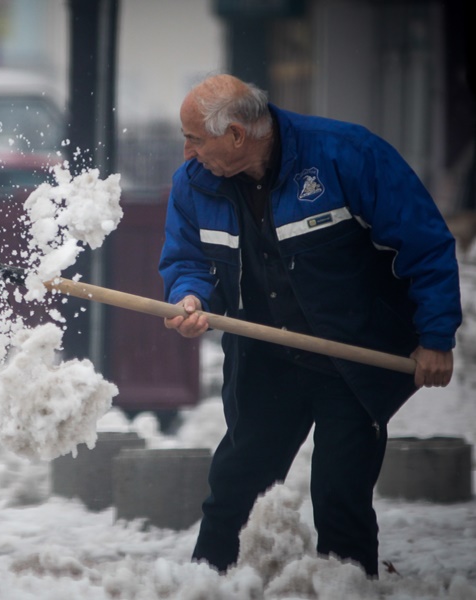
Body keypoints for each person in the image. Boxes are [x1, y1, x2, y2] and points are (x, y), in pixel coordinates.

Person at [159, 74, 461, 577]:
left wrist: (435, 337)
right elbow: (188, 259)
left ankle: (346, 588)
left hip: (352, 358)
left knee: (340, 495)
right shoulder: (194, 184)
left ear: (236, 135)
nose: (187, 151)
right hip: (265, 358)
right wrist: (190, 297)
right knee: (235, 486)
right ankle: (208, 585)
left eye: (195, 138)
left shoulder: (346, 155)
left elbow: (425, 243)